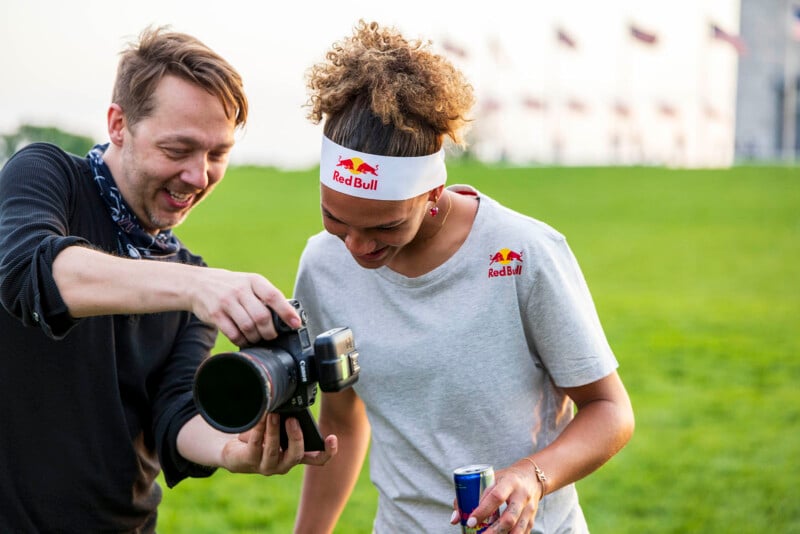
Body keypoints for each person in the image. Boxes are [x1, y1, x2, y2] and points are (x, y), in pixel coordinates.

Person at [291, 20, 635, 534]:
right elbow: (342, 419)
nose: (357, 246)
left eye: (384, 225)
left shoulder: (523, 253)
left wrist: (532, 478)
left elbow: (610, 410)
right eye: (335, 218)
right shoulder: (323, 266)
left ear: (433, 193)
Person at [0, 26, 336, 532]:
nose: (199, 177)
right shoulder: (47, 175)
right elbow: (31, 272)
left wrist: (233, 449)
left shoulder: (193, 282)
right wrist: (194, 288)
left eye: (217, 154)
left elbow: (174, 412)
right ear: (118, 125)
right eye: (178, 150)